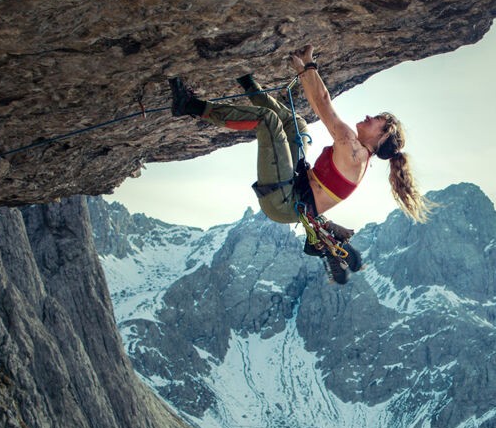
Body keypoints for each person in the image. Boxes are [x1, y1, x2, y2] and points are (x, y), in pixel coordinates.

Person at [169, 45, 431, 282]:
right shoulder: (359, 155)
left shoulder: (354, 150)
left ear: (382, 136)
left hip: (283, 200)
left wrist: (308, 66)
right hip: (293, 191)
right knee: (298, 126)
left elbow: (323, 104)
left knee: (268, 121)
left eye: (377, 120)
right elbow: (318, 105)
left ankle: (191, 105)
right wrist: (305, 69)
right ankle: (247, 82)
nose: (368, 116)